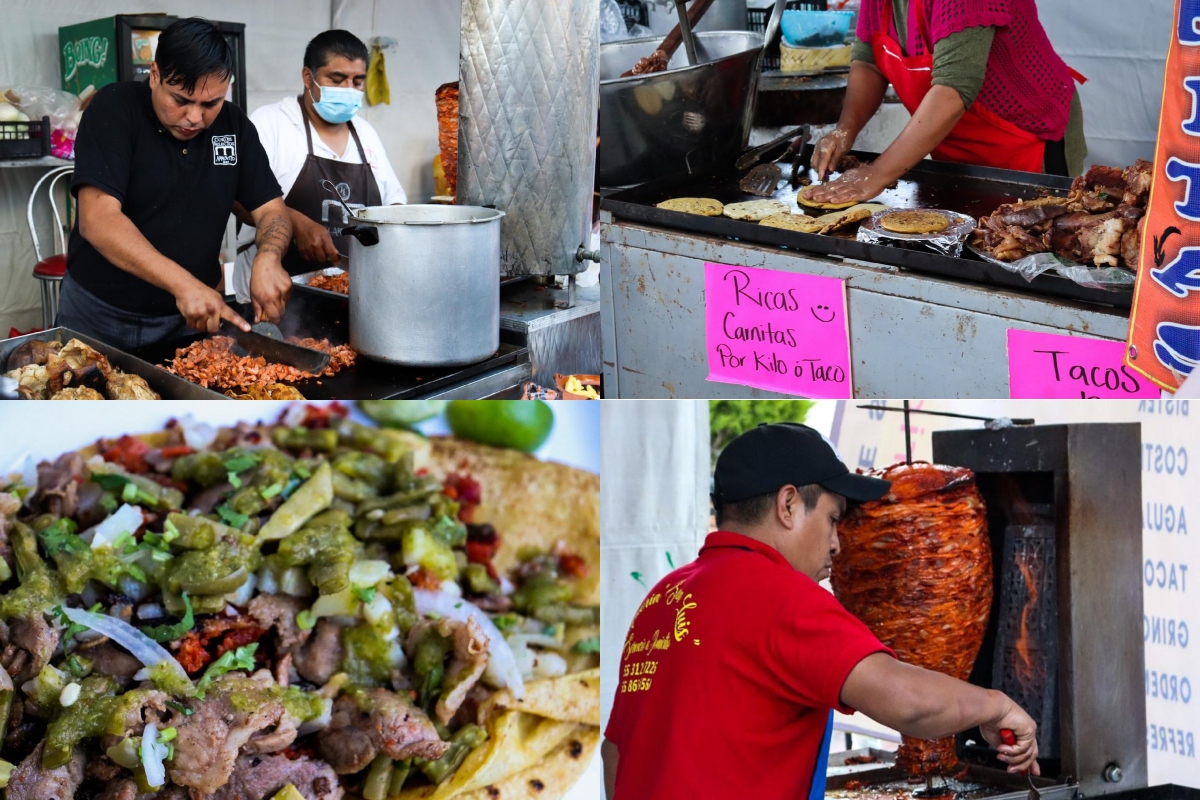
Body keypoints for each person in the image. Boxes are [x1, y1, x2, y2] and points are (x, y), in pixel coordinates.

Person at [603, 423, 1040, 800]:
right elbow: (910, 704)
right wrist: (997, 707)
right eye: (834, 519)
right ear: (788, 505)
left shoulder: (663, 598)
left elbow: (616, 751)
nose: (836, 543)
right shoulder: (779, 594)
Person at [59, 17, 292, 350]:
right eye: (181, 100)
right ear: (155, 75)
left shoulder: (234, 125)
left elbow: (272, 209)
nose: (195, 117)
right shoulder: (114, 108)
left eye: (211, 103)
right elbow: (99, 221)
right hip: (102, 316)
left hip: (192, 322)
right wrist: (184, 284)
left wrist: (268, 258)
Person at [805, 0, 1087, 206]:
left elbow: (952, 90)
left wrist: (875, 175)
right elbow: (869, 62)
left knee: (1026, 246)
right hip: (957, 143)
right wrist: (844, 131)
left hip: (1027, 138)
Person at [233, 28, 405, 298]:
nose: (348, 90)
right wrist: (296, 223)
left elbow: (394, 203)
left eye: (358, 81)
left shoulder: (365, 133)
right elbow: (238, 197)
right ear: (308, 77)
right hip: (274, 297)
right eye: (337, 79)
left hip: (353, 295)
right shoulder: (271, 123)